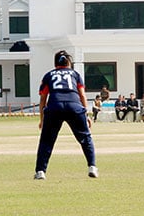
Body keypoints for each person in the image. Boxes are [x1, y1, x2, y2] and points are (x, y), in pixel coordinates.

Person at [34, 50, 97, 180]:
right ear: (68, 62)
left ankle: (40, 171)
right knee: (85, 138)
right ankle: (92, 166)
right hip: (74, 106)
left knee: (46, 141)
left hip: (54, 106)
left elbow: (42, 99)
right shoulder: (75, 74)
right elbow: (82, 95)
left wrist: (42, 119)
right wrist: (86, 114)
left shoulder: (48, 75)